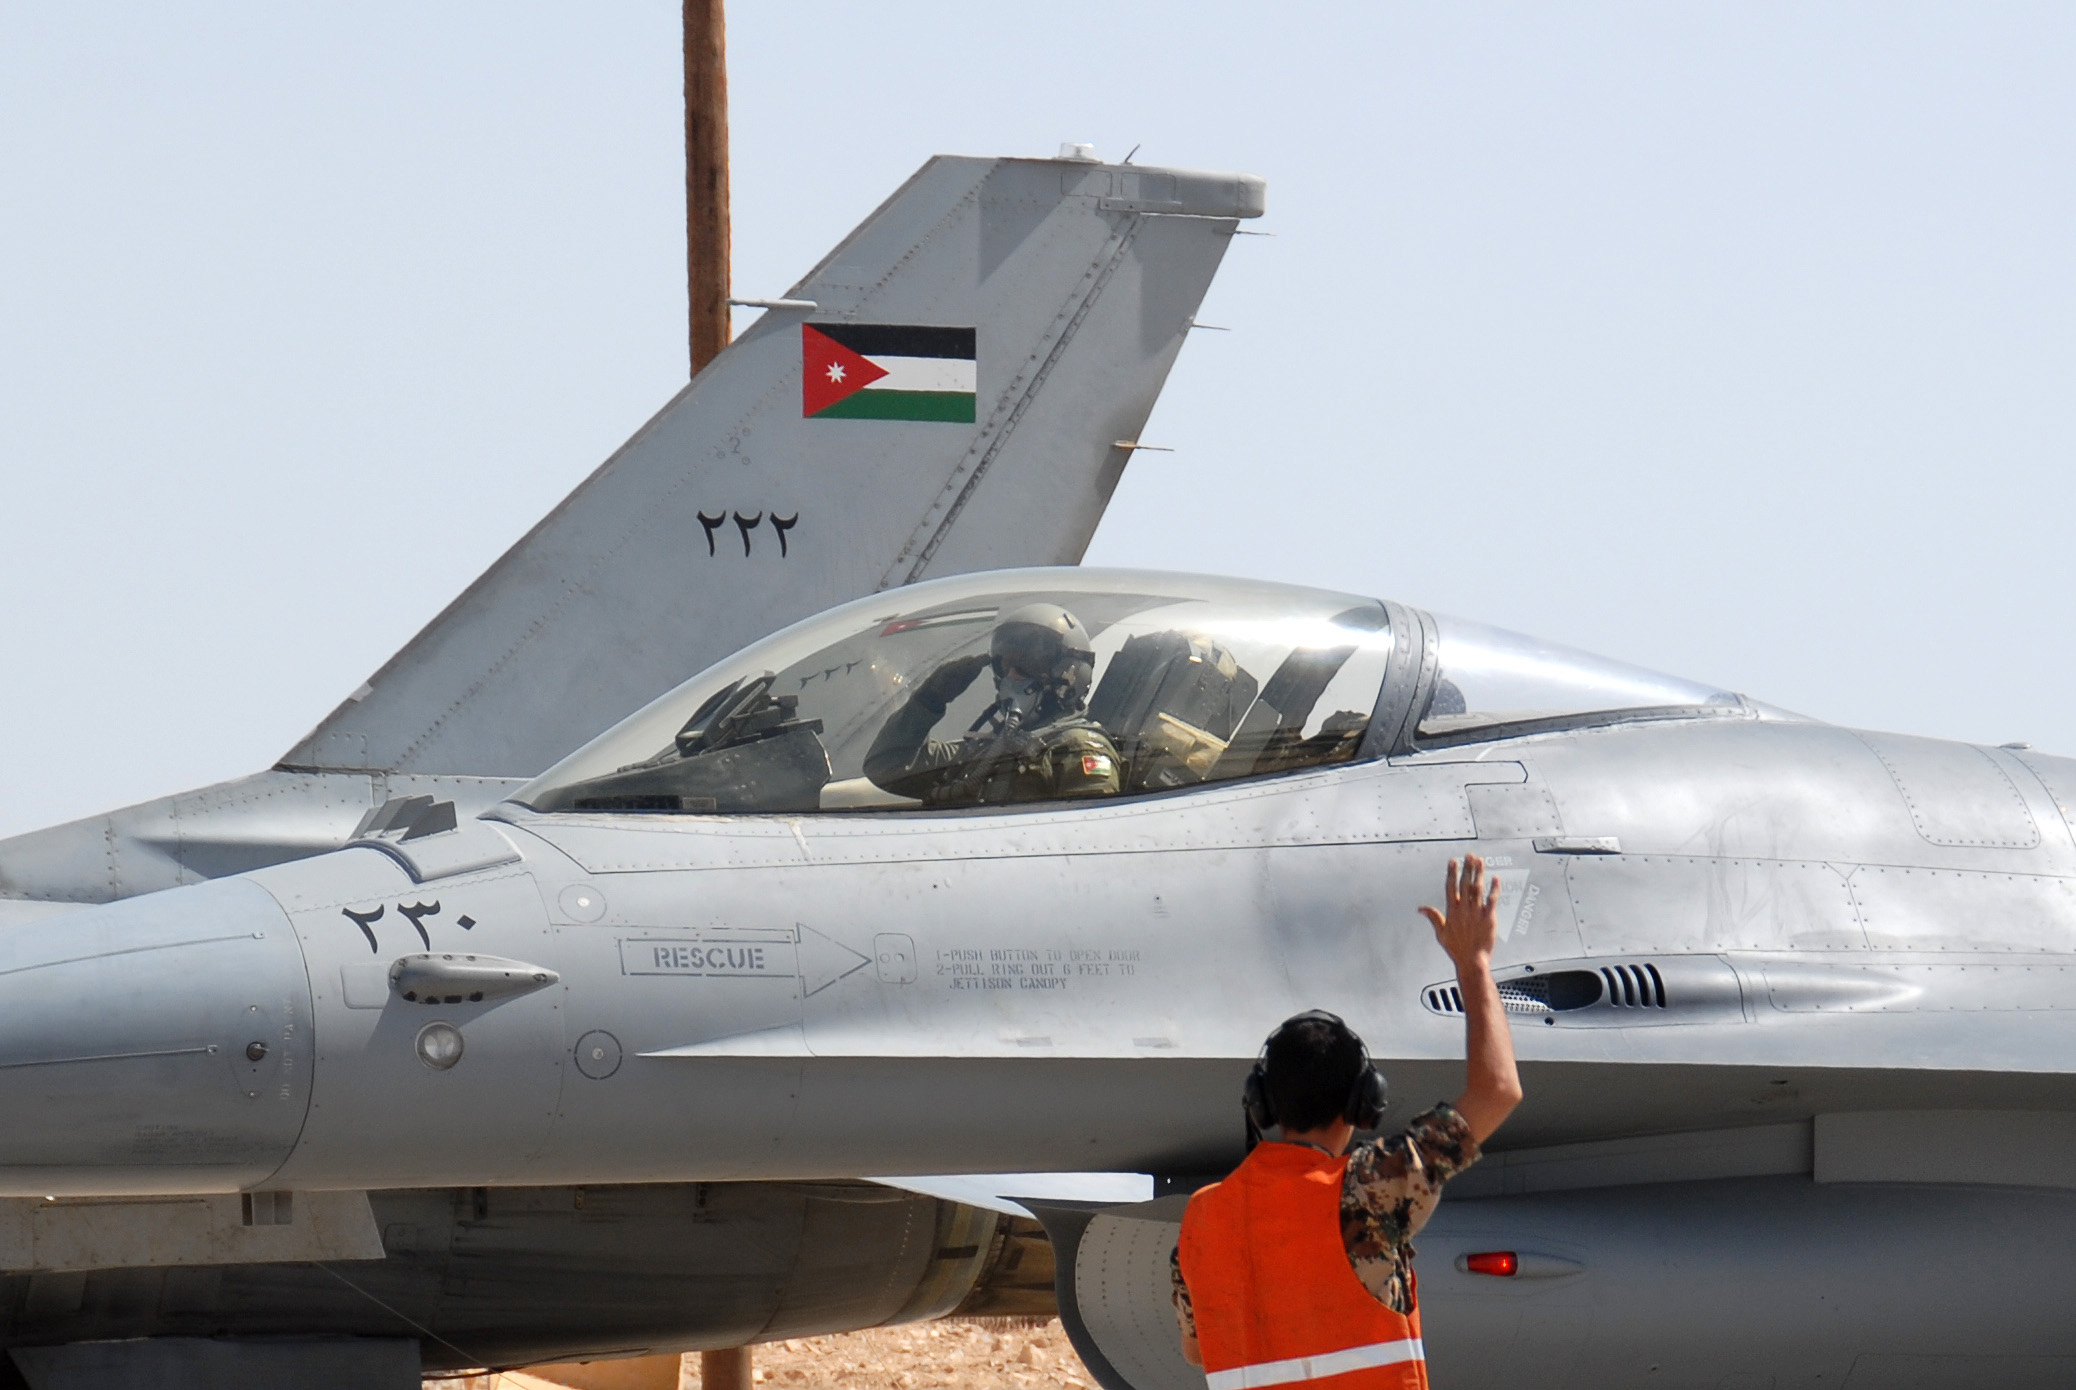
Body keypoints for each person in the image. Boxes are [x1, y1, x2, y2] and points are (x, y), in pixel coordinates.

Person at [1172, 854, 1523, 1390]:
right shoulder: (1367, 1189)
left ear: (1263, 1102)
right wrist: (1472, 961)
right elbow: (1497, 1091)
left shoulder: (1203, 1219)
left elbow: (1197, 1351)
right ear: (1363, 1104)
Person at [862, 603, 1123, 807]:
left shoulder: (1079, 749)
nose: (1011, 676)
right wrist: (929, 699)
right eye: (1004, 665)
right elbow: (887, 766)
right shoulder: (990, 751)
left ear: (1068, 673)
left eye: (1026, 664)